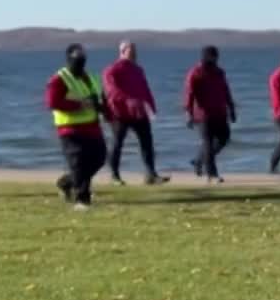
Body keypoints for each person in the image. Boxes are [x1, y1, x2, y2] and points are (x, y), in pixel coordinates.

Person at [46, 44, 110, 210]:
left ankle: (66, 182)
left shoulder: (92, 77)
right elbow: (52, 102)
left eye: (82, 59)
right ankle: (82, 200)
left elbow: (101, 99)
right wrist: (79, 105)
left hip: (92, 127)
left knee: (99, 159)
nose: (80, 62)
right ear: (69, 59)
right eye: (77, 59)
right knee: (79, 162)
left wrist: (108, 113)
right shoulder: (59, 79)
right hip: (70, 128)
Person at [102, 41, 167, 185]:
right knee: (117, 143)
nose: (135, 53)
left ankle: (151, 175)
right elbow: (111, 91)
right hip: (119, 113)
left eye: (135, 50)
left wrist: (151, 105)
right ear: (123, 51)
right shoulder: (112, 70)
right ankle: (114, 175)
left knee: (147, 142)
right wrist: (129, 100)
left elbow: (144, 89)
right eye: (131, 50)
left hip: (139, 112)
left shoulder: (138, 70)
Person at [183, 45, 235, 183]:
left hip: (220, 112)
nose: (216, 60)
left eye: (216, 57)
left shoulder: (219, 72)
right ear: (207, 57)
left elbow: (225, 90)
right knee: (207, 142)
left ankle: (199, 160)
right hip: (203, 115)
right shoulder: (196, 73)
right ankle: (212, 174)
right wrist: (188, 112)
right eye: (214, 57)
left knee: (224, 138)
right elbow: (189, 93)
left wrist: (231, 108)